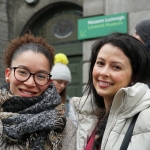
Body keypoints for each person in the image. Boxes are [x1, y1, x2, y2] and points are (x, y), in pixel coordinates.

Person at [71, 32, 150, 150]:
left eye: (116, 67)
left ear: (135, 75)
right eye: (100, 63)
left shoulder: (146, 118)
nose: (103, 72)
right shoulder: (90, 116)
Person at [1, 33, 76, 149]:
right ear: (8, 74)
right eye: (22, 72)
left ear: (48, 80)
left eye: (40, 76)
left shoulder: (64, 128)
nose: (30, 83)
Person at [51, 53, 77, 126]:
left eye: (65, 83)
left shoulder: (68, 102)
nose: (62, 86)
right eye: (59, 82)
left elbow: (74, 125)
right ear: (50, 80)